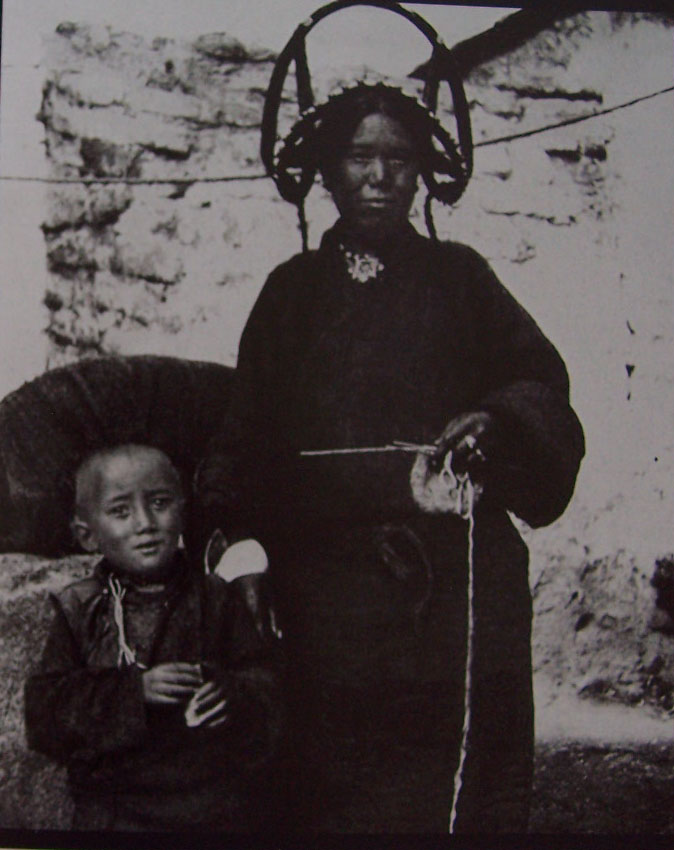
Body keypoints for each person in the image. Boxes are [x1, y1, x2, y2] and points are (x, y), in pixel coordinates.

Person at [196, 83, 585, 832]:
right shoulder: (291, 294)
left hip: (456, 580)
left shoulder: (462, 278)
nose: (380, 177)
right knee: (334, 784)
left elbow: (538, 379)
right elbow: (244, 436)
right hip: (325, 584)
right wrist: (244, 552)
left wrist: (497, 419)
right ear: (326, 171)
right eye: (358, 157)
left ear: (421, 173)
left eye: (400, 160)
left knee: (458, 781)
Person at [25, 443, 283, 832]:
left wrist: (231, 694)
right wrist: (135, 692)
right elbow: (44, 716)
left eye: (160, 503)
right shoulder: (80, 608)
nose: (145, 523)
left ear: (183, 511)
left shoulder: (216, 596)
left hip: (211, 803)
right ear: (87, 535)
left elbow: (264, 682)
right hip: (115, 810)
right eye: (120, 511)